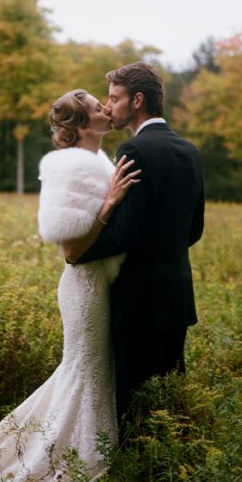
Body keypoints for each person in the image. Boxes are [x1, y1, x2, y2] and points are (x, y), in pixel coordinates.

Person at [0, 89, 140, 482]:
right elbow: (70, 248)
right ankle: (71, 466)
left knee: (88, 373)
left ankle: (54, 453)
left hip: (105, 283)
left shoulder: (100, 161)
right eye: (96, 104)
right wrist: (111, 203)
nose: (106, 105)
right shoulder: (71, 167)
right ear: (83, 125)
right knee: (85, 372)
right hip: (85, 286)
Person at [65, 63, 204, 433]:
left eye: (114, 98)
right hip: (177, 298)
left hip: (138, 302)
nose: (109, 107)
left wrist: (78, 253)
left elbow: (123, 235)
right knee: (172, 406)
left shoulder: (135, 150)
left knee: (134, 408)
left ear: (137, 100)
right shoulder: (189, 151)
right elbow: (194, 230)